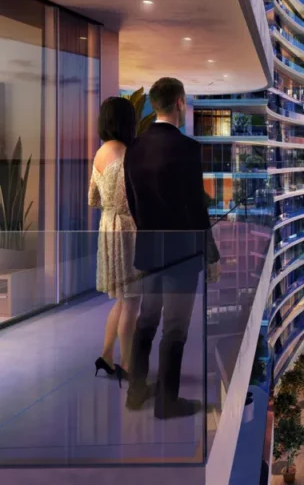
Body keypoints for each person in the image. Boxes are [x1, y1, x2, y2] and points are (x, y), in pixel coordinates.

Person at [124, 77, 219, 419]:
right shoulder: (188, 150)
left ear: (154, 104)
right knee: (174, 328)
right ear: (179, 103)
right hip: (181, 254)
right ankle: (167, 401)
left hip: (149, 249)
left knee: (146, 322)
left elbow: (133, 202)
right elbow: (196, 208)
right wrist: (210, 255)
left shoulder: (134, 148)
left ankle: (135, 393)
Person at [90, 96, 143, 385]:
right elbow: (134, 198)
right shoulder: (125, 155)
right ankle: (131, 368)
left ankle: (107, 356)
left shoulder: (100, 153)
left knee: (122, 301)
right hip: (127, 230)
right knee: (132, 303)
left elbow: (93, 198)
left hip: (107, 228)